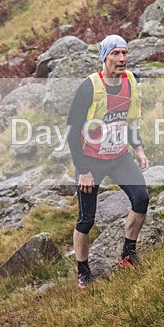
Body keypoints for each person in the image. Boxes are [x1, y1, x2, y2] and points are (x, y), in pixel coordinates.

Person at [66, 35, 150, 288]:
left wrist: (139, 148)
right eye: (115, 54)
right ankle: (83, 272)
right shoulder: (89, 87)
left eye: (125, 53)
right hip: (91, 160)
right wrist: (82, 171)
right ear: (104, 57)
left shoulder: (131, 81)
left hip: (119, 156)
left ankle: (128, 255)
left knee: (141, 198)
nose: (122, 59)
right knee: (86, 219)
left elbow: (131, 120)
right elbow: (71, 132)